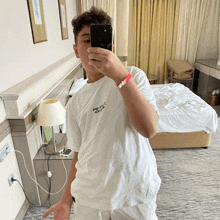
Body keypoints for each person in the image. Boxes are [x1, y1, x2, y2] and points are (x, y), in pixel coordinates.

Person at [42, 6, 161, 220]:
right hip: (89, 199)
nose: (92, 47)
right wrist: (65, 202)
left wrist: (120, 77)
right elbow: (79, 154)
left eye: (99, 40)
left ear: (111, 47)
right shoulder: (75, 103)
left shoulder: (133, 76)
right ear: (76, 50)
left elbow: (149, 128)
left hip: (133, 194)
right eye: (86, 40)